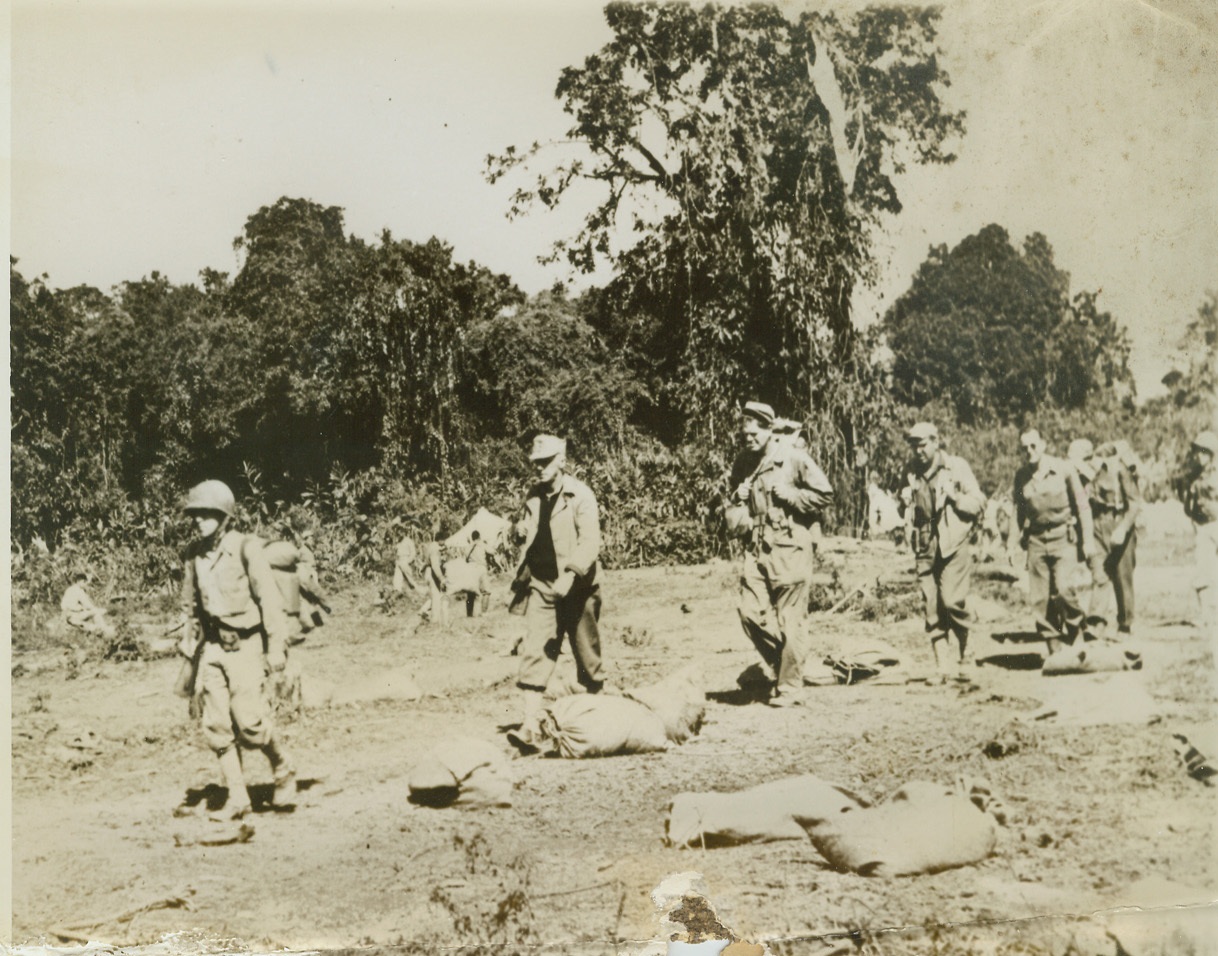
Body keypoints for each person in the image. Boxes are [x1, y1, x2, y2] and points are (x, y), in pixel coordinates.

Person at [178, 480, 296, 819]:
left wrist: (276, 649)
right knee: (215, 725)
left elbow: (270, 601)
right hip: (212, 648)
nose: (197, 520)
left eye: (205, 514)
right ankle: (238, 797)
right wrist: (188, 643)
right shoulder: (193, 555)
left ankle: (284, 767)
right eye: (195, 515)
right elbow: (189, 605)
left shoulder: (245, 549)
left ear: (223, 516)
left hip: (246, 646)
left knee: (250, 723)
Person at [728, 401, 833, 706]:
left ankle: (790, 687)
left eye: (754, 433)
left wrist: (792, 496)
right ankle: (785, 666)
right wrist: (738, 498)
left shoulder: (793, 458)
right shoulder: (743, 463)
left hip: (790, 546)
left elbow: (825, 494)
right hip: (756, 546)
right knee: (748, 613)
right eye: (744, 434)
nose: (749, 439)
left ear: (769, 429)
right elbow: (732, 504)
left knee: (791, 620)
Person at [508, 434, 605, 749]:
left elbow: (591, 541)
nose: (538, 468)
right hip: (542, 586)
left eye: (545, 462)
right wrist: (517, 532)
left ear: (561, 462)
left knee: (586, 656)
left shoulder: (581, 495)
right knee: (535, 652)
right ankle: (529, 726)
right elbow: (526, 530)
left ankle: (596, 717)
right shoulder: (533, 496)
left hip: (577, 589)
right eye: (535, 463)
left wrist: (572, 573)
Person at [904, 422, 985, 670]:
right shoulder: (910, 471)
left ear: (936, 442)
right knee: (931, 606)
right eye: (914, 446)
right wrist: (903, 501)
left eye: (923, 445)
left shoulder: (955, 467)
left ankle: (966, 645)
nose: (918, 451)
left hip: (953, 542)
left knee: (950, 601)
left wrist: (955, 497)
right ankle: (943, 664)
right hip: (925, 544)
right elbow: (906, 507)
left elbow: (979, 502)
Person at [1013, 430, 1095, 650]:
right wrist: (1012, 544)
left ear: (1043, 444)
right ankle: (1053, 646)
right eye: (1024, 448)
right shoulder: (1021, 476)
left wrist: (1088, 540)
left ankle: (1077, 632)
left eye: (1033, 446)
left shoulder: (1064, 469)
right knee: (1040, 598)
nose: (1029, 451)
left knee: (1063, 588)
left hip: (1063, 536)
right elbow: (1018, 513)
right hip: (1036, 540)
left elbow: (1083, 505)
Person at [1071, 438, 1141, 637]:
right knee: (1099, 573)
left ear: (1090, 458)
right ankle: (1096, 622)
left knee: (1122, 577)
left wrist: (1123, 528)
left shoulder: (1118, 468)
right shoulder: (1082, 476)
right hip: (1095, 524)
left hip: (1119, 522)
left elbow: (1135, 503)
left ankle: (1125, 624)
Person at [1182, 430, 1218, 635]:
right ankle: (1208, 616)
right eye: (1197, 452)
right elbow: (1188, 506)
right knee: (1204, 573)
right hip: (1205, 528)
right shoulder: (1194, 477)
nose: (1199, 456)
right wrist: (1196, 521)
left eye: (1203, 452)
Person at [410, 528, 451, 632]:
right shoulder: (435, 549)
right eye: (445, 540)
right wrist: (441, 578)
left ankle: (424, 610)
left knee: (437, 595)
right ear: (441, 539)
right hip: (431, 573)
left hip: (430, 572)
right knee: (436, 596)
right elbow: (435, 566)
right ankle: (434, 620)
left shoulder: (434, 546)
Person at [60, 571, 116, 638]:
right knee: (95, 612)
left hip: (67, 614)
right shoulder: (79, 590)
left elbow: (63, 605)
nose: (85, 584)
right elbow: (88, 605)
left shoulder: (69, 589)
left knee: (94, 613)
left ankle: (102, 629)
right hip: (73, 615)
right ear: (80, 581)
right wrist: (103, 610)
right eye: (84, 582)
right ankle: (104, 629)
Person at [464, 530, 491, 617]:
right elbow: (492, 551)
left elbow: (465, 558)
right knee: (486, 591)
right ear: (479, 536)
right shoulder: (482, 544)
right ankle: (484, 612)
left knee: (470, 593)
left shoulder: (468, 547)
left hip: (471, 569)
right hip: (481, 568)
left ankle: (469, 614)